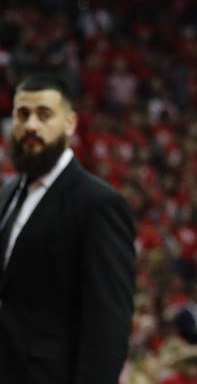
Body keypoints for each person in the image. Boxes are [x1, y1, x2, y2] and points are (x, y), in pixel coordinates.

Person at [0, 72, 136, 383]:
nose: (31, 125)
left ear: (70, 124)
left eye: (44, 115)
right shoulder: (5, 194)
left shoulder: (99, 204)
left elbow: (108, 326)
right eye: (22, 114)